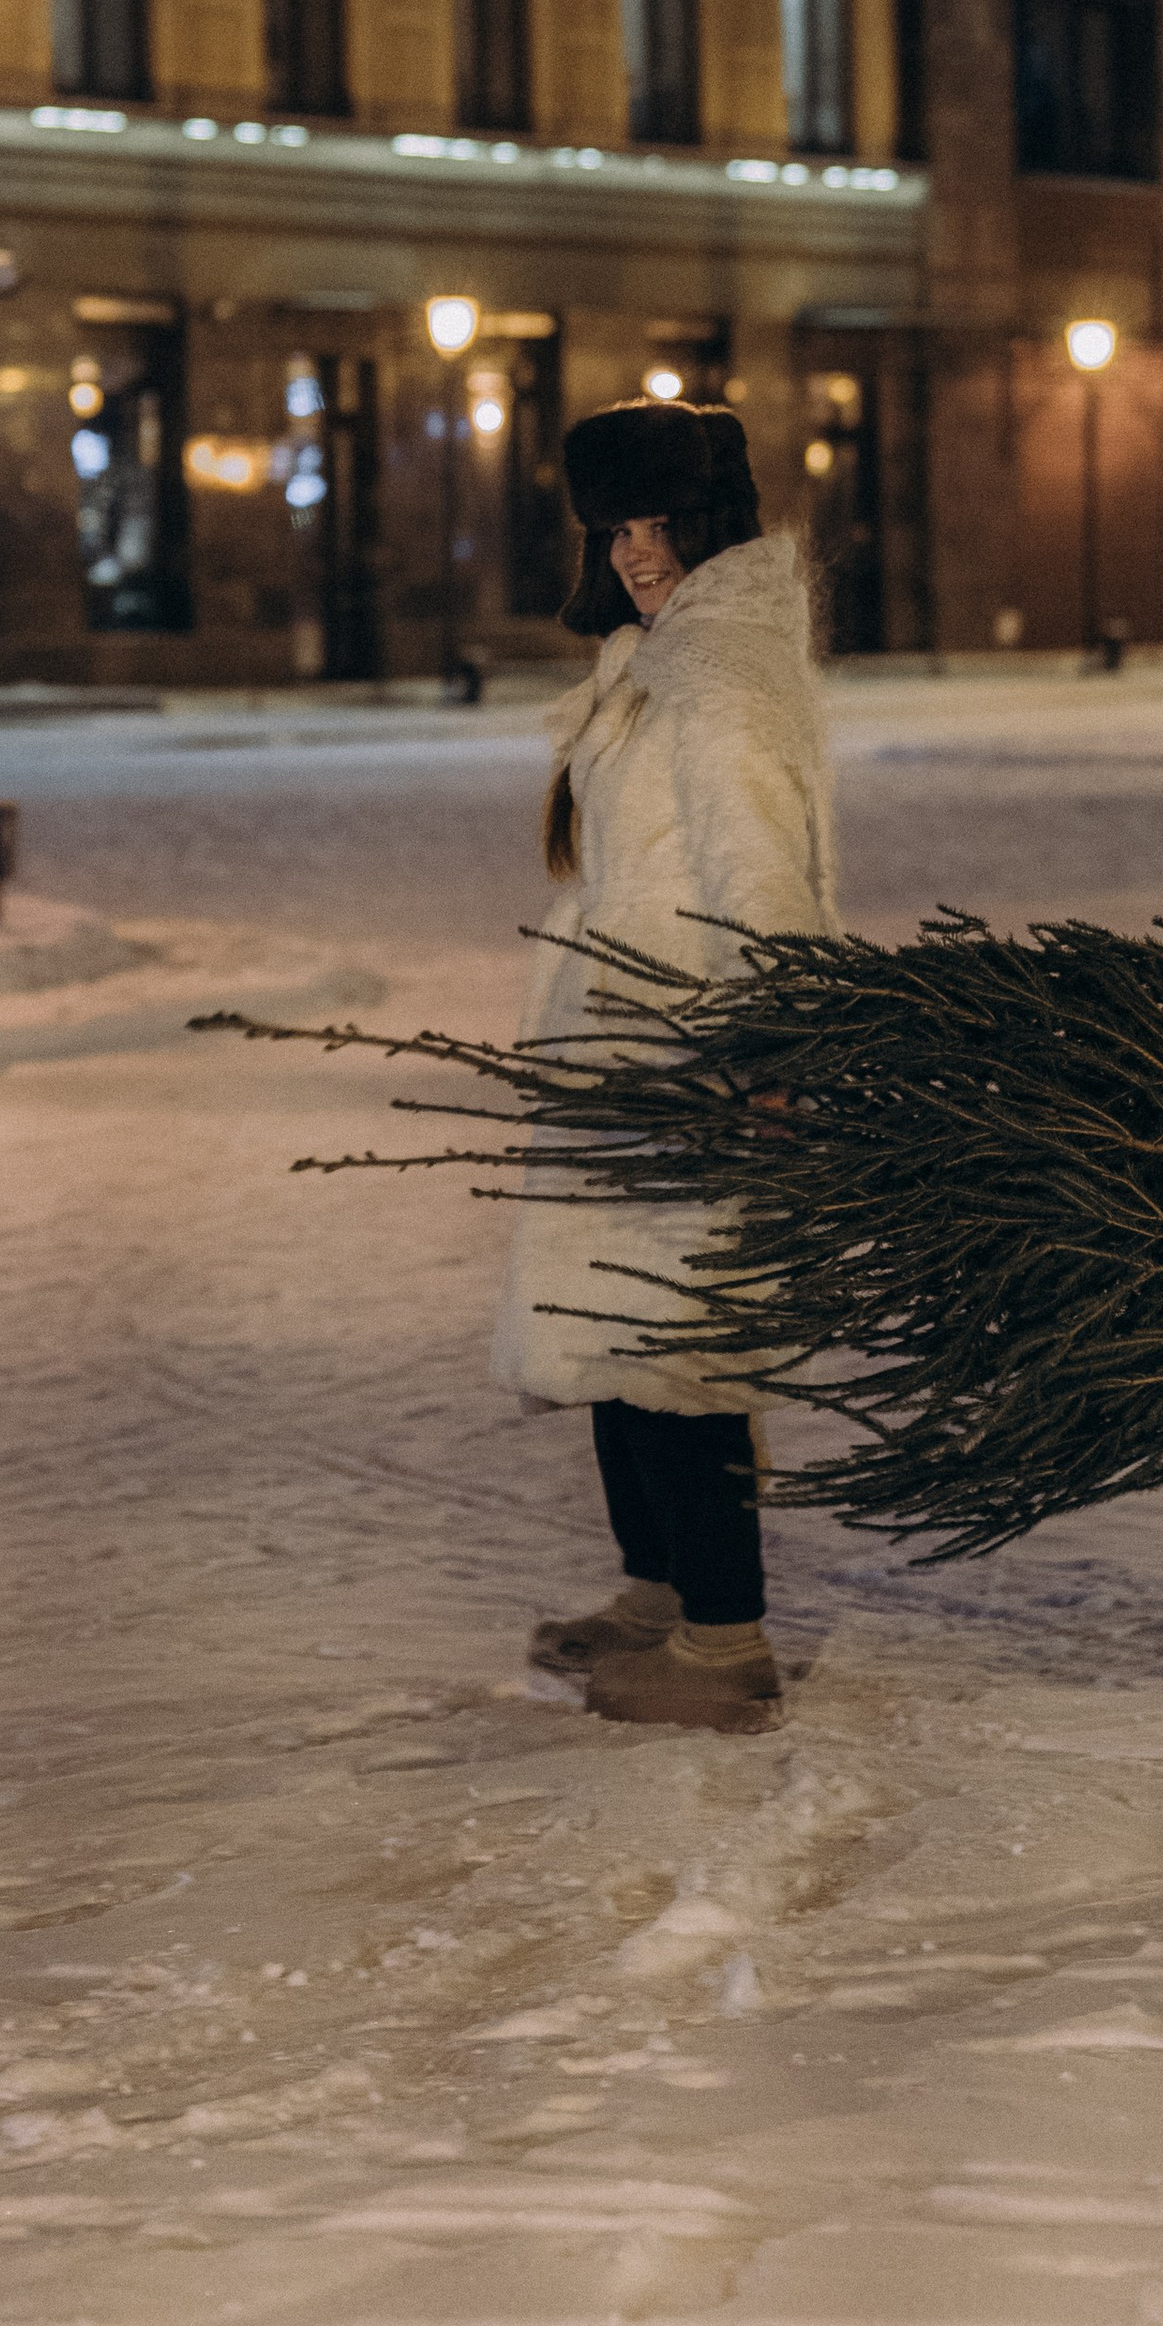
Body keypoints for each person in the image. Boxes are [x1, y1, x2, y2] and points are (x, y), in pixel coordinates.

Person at [490, 397, 836, 1735]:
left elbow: (761, 869)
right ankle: (655, 1596)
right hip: (627, 1042)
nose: (636, 551)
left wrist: (771, 1047)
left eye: (659, 523)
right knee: (614, 1331)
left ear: (712, 520)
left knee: (678, 1344)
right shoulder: (656, 655)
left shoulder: (720, 670)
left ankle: (724, 1639)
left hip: (694, 1046)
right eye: (614, 528)